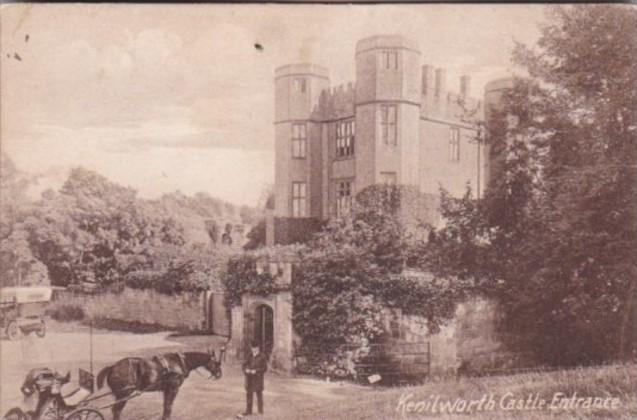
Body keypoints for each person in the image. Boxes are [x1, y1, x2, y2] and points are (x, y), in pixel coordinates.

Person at [241, 341, 268, 416]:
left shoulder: (262, 356)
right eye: (252, 348)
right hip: (249, 378)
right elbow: (244, 365)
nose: (254, 350)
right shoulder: (249, 355)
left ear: (258, 348)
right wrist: (246, 369)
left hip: (258, 379)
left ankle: (260, 411)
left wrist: (256, 371)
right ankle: (248, 411)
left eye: (255, 348)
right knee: (249, 394)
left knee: (259, 395)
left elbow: (265, 368)